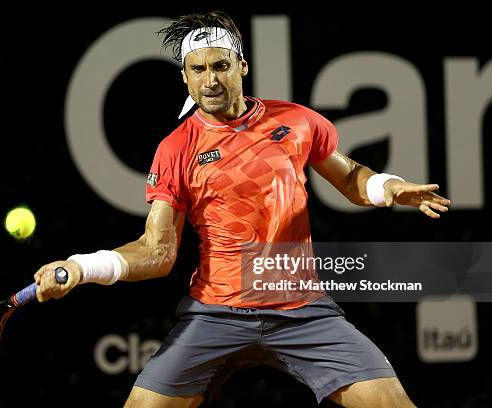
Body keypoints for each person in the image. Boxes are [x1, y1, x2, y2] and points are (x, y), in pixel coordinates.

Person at [34, 11, 451, 408]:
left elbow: (350, 177)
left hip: (301, 309)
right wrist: (82, 267)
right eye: (198, 70)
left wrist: (387, 187)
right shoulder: (176, 148)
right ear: (184, 76)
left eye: (220, 66)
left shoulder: (297, 120)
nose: (210, 80)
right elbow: (158, 252)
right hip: (215, 313)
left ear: (242, 67)